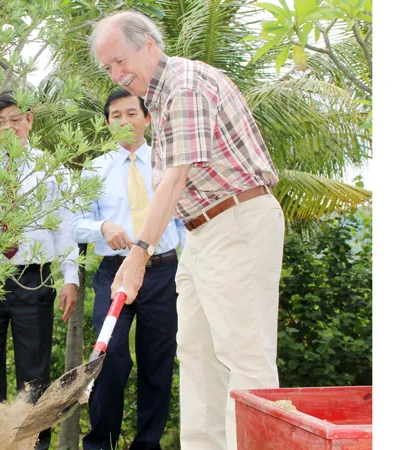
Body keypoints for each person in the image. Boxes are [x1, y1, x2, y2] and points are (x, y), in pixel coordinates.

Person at [89, 11, 286, 450]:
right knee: (197, 357)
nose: (117, 74)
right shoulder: (159, 100)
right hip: (201, 233)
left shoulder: (184, 85)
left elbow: (175, 177)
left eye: (121, 61)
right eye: (108, 68)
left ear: (149, 46)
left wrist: (137, 257)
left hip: (236, 222)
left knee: (245, 357)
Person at [71, 88, 185, 450]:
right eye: (116, 115)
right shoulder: (95, 169)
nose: (124, 121)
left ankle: (148, 444)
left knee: (158, 363)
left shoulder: (167, 165)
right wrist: (101, 227)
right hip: (114, 274)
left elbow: (184, 223)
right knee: (109, 357)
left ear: (147, 118)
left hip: (163, 272)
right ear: (107, 123)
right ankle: (100, 444)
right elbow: (73, 224)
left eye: (132, 113)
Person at [0, 90, 79, 450]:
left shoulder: (50, 168)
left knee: (34, 374)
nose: (8, 128)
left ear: (29, 121)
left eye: (15, 119)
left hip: (34, 278)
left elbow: (64, 226)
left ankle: (34, 445)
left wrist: (70, 277)